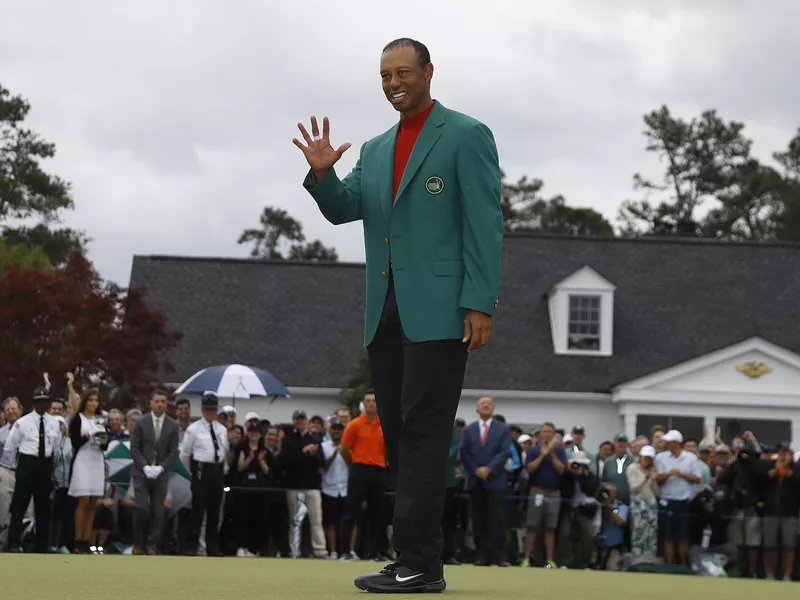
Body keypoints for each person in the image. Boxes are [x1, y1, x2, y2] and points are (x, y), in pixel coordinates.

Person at [294, 37, 502, 593]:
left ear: (429, 73)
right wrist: (322, 176)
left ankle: (421, 564)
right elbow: (345, 210)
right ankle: (411, 556)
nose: (393, 83)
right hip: (383, 313)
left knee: (425, 437)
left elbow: (485, 224)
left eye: (403, 72)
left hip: (440, 312)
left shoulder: (466, 134)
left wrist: (480, 301)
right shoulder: (377, 147)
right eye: (385, 75)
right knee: (400, 435)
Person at [5, 387, 61, 552]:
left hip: (46, 464)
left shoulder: (55, 423)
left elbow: (56, 447)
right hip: (26, 463)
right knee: (19, 506)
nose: (42, 404)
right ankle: (13, 543)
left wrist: (51, 466)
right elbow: (10, 447)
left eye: (45, 401)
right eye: (39, 401)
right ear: (34, 403)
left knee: (44, 507)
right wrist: (17, 466)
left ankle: (42, 545)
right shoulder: (22, 422)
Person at [458, 396, 511, 567]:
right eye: (482, 403)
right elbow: (464, 452)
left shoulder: (503, 429)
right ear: (477, 408)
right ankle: (482, 555)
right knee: (478, 519)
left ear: (493, 408)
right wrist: (476, 470)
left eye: (489, 403)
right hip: (475, 480)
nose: (486, 406)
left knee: (497, 519)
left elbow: (503, 453)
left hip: (495, 480)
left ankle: (500, 556)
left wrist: (489, 469)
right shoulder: (468, 430)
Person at [130, 389, 180, 555]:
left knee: (158, 512)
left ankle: (151, 545)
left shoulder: (173, 425)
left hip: (161, 474)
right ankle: (137, 542)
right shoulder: (141, 422)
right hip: (141, 473)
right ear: (150, 403)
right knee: (142, 507)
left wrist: (161, 467)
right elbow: (135, 448)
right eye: (157, 401)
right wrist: (144, 466)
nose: (160, 404)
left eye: (163, 402)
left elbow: (173, 451)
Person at [180, 391, 229, 557]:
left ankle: (211, 546)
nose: (211, 413)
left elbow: (224, 450)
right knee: (198, 509)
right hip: (201, 469)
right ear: (202, 410)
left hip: (217, 469)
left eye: (213, 409)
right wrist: (193, 473)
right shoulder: (193, 429)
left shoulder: (221, 429)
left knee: (215, 510)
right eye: (208, 409)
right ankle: (193, 545)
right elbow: (185, 455)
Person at [68, 387, 109, 554]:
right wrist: (88, 435)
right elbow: (75, 442)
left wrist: (103, 439)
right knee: (83, 501)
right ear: (85, 401)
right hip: (83, 459)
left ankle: (87, 541)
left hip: (96, 460)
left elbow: (104, 446)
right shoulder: (79, 418)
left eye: (96, 401)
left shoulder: (100, 419)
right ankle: (78, 540)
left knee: (93, 503)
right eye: (91, 400)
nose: (93, 403)